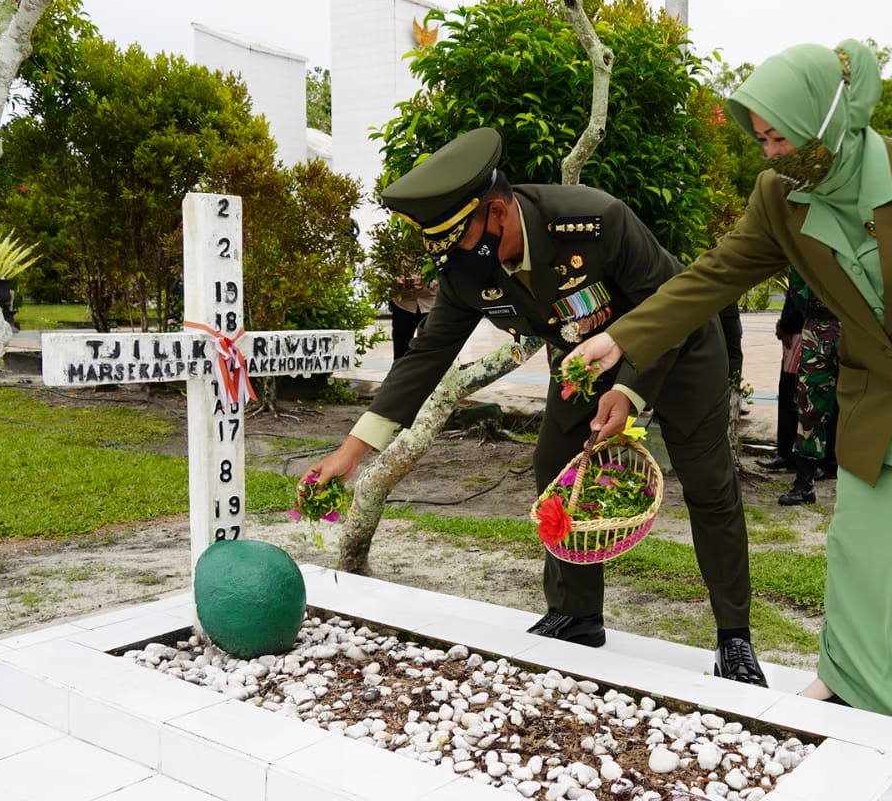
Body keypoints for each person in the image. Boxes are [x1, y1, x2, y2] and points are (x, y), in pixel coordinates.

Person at [564, 40, 892, 799]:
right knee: (862, 553)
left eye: (779, 134)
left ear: (825, 117)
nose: (770, 150)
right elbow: (715, 274)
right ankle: (846, 678)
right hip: (879, 395)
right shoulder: (779, 198)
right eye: (761, 139)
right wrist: (623, 336)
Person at [305, 127, 768, 686]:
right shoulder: (468, 269)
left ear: (496, 212)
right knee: (554, 466)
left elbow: (663, 307)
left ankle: (734, 640)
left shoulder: (594, 221)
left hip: (681, 346)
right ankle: (577, 614)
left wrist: (630, 393)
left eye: (460, 241)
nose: (454, 259)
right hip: (586, 360)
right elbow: (424, 357)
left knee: (709, 487)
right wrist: (351, 453)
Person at [780, 268, 839, 506]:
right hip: (819, 330)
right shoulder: (803, 243)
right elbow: (797, 291)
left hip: (859, 328)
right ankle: (804, 485)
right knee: (810, 408)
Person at [758, 279, 804, 472]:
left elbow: (804, 304)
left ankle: (796, 455)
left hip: (804, 337)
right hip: (792, 338)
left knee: (797, 399)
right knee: (787, 397)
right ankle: (785, 453)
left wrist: (785, 324)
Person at [389, 276, 437, 360]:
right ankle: (401, 372)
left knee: (429, 349)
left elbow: (446, 271)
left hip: (430, 303)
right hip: (402, 303)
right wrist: (393, 281)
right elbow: (382, 272)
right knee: (401, 351)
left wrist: (429, 282)